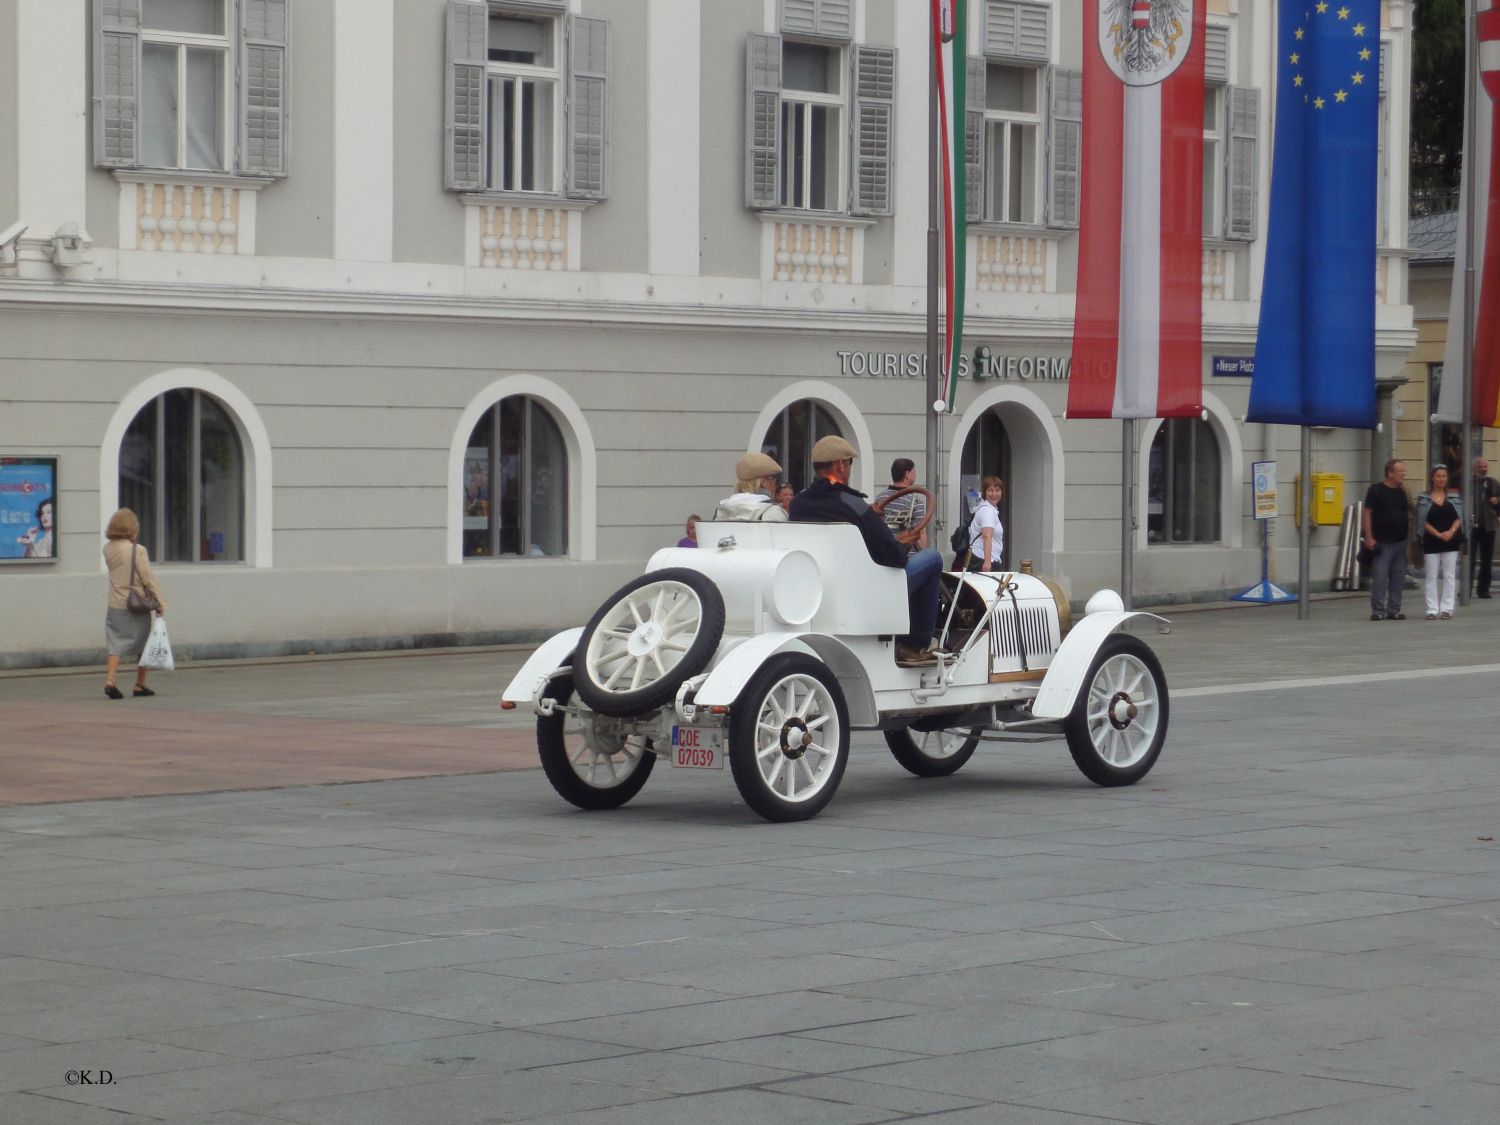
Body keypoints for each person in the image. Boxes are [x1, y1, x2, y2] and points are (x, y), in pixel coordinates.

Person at [789, 435, 943, 667]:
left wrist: (869, 515)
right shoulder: (853, 504)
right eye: (849, 463)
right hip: (866, 592)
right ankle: (915, 644)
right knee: (932, 558)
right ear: (840, 465)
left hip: (819, 587)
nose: (849, 469)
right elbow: (895, 557)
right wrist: (905, 542)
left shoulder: (799, 503)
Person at [102, 508, 167, 699]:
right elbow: (148, 579)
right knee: (142, 643)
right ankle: (140, 684)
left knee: (115, 643)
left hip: (114, 602)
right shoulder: (137, 551)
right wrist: (159, 602)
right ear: (131, 528)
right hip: (135, 604)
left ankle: (110, 680)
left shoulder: (107, 548)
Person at [1361, 459, 1410, 621]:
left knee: (1398, 577)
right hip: (1381, 541)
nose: (1403, 474)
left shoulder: (1403, 491)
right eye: (1400, 471)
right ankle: (1378, 610)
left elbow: (1408, 512)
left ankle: (1394, 609)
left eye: (1404, 471)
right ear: (1390, 473)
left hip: (1400, 541)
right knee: (1380, 577)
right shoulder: (1376, 490)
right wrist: (1369, 537)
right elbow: (1367, 513)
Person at [1416, 464, 1465, 620]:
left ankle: (1447, 609)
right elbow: (1421, 520)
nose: (1441, 479)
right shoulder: (1424, 498)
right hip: (1432, 540)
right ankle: (1431, 609)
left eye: (1444, 476)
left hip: (1451, 540)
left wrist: (1450, 532)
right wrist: (1437, 533)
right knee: (1431, 575)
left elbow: (1460, 518)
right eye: (1438, 476)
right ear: (1432, 478)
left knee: (1449, 575)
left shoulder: (1454, 497)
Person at [873, 458, 928, 555]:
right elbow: (921, 535)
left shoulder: (880, 498)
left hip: (884, 556)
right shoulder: (915, 500)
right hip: (907, 558)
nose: (915, 474)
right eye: (914, 471)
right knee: (934, 557)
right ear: (907, 474)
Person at [713, 452, 789, 522]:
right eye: (772, 478)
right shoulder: (773, 513)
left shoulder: (721, 509)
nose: (775, 483)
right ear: (763, 482)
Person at [965, 476, 1005, 573]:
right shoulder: (988, 511)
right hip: (984, 560)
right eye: (990, 490)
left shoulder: (988, 509)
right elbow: (987, 536)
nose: (994, 494)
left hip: (981, 558)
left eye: (997, 490)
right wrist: (987, 562)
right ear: (984, 492)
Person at [1471, 457, 1498, 599]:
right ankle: (1466, 588)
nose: (1483, 469)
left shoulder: (1493, 483)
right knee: (1468, 559)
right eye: (1481, 466)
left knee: (1486, 560)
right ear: (1474, 468)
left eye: (1485, 466)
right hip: (1471, 526)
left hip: (1488, 526)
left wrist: (1497, 501)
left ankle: (1484, 589)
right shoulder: (1468, 482)